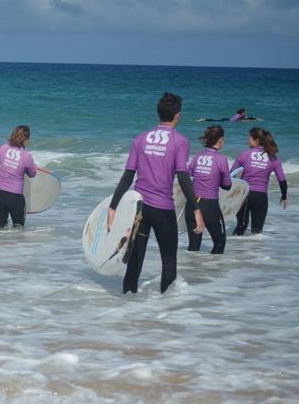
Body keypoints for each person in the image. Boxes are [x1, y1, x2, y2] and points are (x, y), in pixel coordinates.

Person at [107, 92, 204, 294]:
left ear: (159, 114)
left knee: (134, 262)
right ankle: (165, 313)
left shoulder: (140, 139)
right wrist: (196, 208)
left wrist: (113, 206)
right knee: (169, 261)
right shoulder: (181, 141)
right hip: (163, 210)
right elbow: (183, 177)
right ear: (177, 115)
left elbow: (127, 175)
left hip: (140, 209)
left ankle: (125, 310)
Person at [230, 127, 288, 235]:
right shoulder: (273, 158)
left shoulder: (244, 154)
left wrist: (229, 194)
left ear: (256, 140)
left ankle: (235, 250)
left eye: (250, 138)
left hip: (244, 196)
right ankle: (256, 251)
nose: (248, 141)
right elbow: (282, 179)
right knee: (257, 232)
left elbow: (231, 175)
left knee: (241, 226)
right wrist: (284, 196)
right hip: (261, 198)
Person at [185, 125, 231, 254]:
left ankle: (192, 273)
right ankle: (212, 272)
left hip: (192, 205)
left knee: (193, 248)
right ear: (220, 139)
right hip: (209, 206)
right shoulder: (222, 159)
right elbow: (227, 185)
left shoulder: (197, 156)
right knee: (219, 243)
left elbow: (188, 175)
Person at [0, 125, 37, 230]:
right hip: (14, 197)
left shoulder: (3, 147)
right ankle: (16, 246)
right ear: (26, 139)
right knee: (18, 228)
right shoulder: (27, 156)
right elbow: (32, 174)